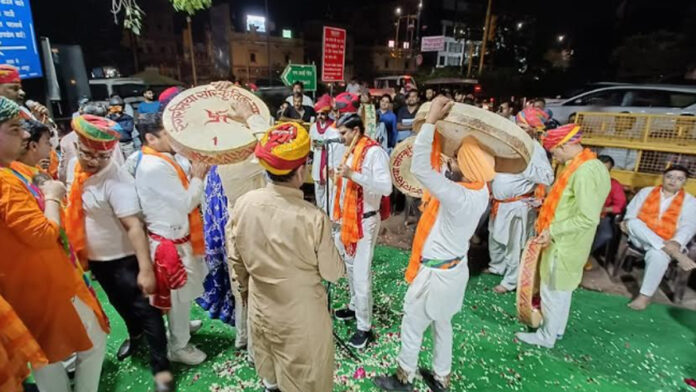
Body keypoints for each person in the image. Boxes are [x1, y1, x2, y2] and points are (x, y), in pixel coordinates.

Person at [373, 97, 493, 392]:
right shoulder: (481, 190)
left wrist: (429, 124)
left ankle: (404, 380)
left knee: (412, 326)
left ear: (466, 167)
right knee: (443, 326)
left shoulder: (458, 197)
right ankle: (441, 378)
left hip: (435, 276)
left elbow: (424, 171)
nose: (450, 162)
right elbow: (441, 174)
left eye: (456, 159)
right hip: (455, 271)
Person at [0, 97, 110, 392]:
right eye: (13, 129)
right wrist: (51, 195)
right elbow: (43, 235)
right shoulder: (4, 181)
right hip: (44, 285)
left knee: (45, 355)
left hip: (23, 284)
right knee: (92, 341)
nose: (25, 136)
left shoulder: (11, 172)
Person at [228, 121, 345, 392]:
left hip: (261, 310)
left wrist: (246, 293)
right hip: (301, 319)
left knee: (270, 379)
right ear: (302, 169)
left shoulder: (244, 204)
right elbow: (333, 273)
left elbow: (236, 261)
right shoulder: (313, 218)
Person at [65, 114, 174, 390]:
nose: (93, 162)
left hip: (125, 261)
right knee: (118, 304)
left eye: (102, 157)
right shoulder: (73, 167)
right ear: (76, 145)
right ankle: (134, 335)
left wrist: (145, 269)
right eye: (87, 154)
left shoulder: (116, 181)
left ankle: (162, 369)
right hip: (98, 261)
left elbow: (134, 227)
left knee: (148, 313)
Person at [515, 123, 610, 349]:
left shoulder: (586, 171)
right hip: (567, 241)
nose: (554, 156)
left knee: (553, 290)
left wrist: (553, 230)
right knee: (561, 291)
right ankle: (555, 330)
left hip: (564, 243)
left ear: (566, 145)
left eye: (555, 150)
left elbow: (588, 217)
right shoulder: (585, 165)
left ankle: (546, 336)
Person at [134, 115, 209, 366]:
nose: (173, 138)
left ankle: (182, 327)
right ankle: (179, 346)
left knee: (183, 293)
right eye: (167, 133)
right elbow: (187, 201)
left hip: (176, 235)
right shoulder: (154, 166)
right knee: (179, 294)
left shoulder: (160, 158)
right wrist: (198, 176)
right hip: (170, 242)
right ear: (150, 138)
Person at [333, 112, 392, 348]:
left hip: (365, 221)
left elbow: (386, 188)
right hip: (349, 220)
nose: (340, 138)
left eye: (343, 133)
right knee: (349, 265)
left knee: (361, 274)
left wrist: (353, 175)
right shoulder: (352, 150)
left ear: (356, 130)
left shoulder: (374, 152)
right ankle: (354, 306)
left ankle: (364, 328)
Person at [487, 108, 554, 293]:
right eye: (519, 125)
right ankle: (497, 267)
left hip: (517, 205)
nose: (520, 129)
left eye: (525, 127)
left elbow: (548, 177)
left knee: (513, 244)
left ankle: (510, 281)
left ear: (534, 129)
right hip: (499, 203)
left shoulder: (535, 150)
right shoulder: (510, 143)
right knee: (496, 238)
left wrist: (525, 169)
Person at [621, 165, 696, 310]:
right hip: (640, 239)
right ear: (663, 177)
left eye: (679, 179)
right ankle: (672, 252)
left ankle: (644, 296)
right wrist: (627, 223)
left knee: (658, 254)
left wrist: (676, 242)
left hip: (670, 241)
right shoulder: (646, 192)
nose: (673, 181)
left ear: (685, 182)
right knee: (634, 222)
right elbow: (630, 215)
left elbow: (689, 226)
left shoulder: (690, 201)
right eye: (670, 177)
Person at [60, 102, 124, 183]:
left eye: (102, 155)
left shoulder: (109, 139)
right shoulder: (73, 162)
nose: (94, 162)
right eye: (87, 153)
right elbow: (120, 163)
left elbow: (63, 172)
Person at [309, 94, 345, 213]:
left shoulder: (333, 127)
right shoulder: (313, 127)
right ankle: (320, 212)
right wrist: (320, 143)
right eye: (318, 114)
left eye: (322, 114)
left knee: (330, 192)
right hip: (318, 160)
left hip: (330, 161)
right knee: (318, 190)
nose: (320, 116)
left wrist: (321, 143)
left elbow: (323, 143)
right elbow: (312, 143)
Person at [589, 155, 627, 261]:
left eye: (606, 170)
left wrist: (604, 209)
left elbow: (620, 205)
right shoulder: (583, 180)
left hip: (601, 216)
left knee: (606, 234)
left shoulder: (614, 185)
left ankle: (585, 254)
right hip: (580, 215)